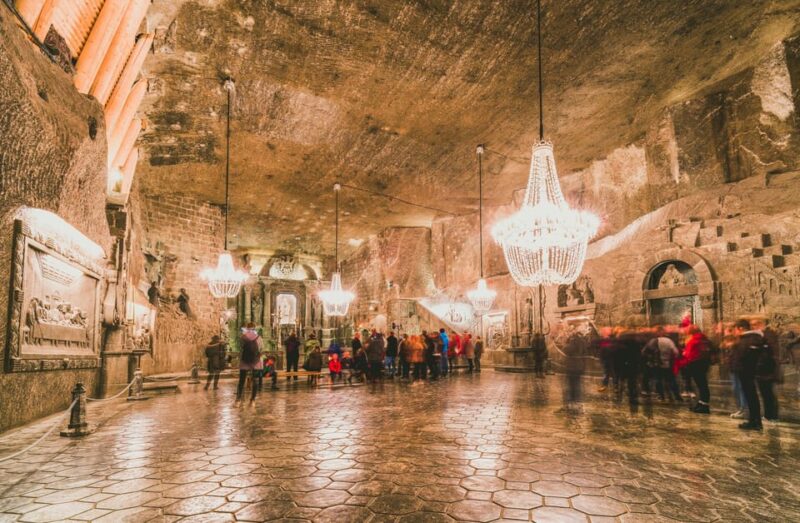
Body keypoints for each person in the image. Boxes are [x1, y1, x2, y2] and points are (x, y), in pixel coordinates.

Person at [732, 318, 778, 430]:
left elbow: (745, 356)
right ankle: (754, 420)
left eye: (735, 329)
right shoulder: (752, 338)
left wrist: (740, 366)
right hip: (747, 371)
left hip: (747, 371)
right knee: (751, 396)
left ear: (741, 328)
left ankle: (755, 421)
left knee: (752, 396)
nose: (735, 332)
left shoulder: (750, 339)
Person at [678, 324, 713, 414]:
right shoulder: (704, 338)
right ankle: (702, 403)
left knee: (701, 385)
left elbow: (687, 353)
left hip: (695, 364)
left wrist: (684, 354)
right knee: (703, 385)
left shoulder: (693, 340)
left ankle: (704, 405)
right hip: (704, 363)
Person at [646, 328, 681, 402]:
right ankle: (677, 396)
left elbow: (644, 352)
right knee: (671, 380)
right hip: (667, 363)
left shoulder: (652, 341)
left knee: (658, 380)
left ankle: (661, 396)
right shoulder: (668, 341)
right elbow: (676, 352)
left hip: (656, 364)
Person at [237, 323, 262, 404]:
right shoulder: (259, 338)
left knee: (241, 380)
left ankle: (238, 399)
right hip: (256, 362)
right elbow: (261, 349)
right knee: (255, 380)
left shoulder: (242, 337)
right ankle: (252, 400)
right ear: (254, 328)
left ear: (247, 328)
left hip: (244, 361)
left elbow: (240, 348)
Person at [596, 327, 617, 392]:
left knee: (613, 373)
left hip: (611, 359)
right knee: (606, 373)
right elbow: (602, 350)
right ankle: (605, 385)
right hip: (607, 359)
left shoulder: (611, 340)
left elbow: (606, 349)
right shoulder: (604, 340)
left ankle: (615, 386)